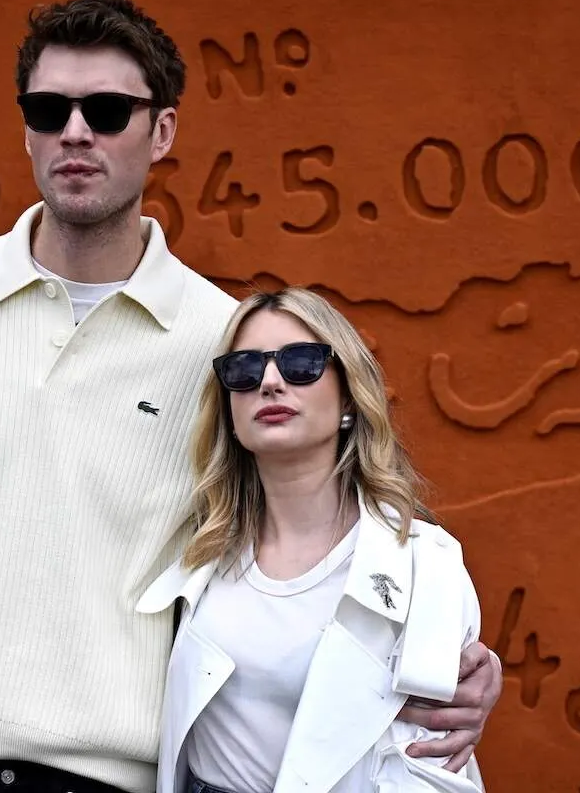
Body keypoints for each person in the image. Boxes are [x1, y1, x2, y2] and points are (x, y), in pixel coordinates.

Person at [0, 0, 503, 792]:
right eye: (50, 109)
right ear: (28, 128)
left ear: (163, 132)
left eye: (108, 111)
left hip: (110, 776)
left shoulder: (222, 347)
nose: (77, 132)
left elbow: (301, 537)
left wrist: (434, 656)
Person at [138, 288, 485, 793]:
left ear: (348, 396)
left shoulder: (425, 567)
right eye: (245, 369)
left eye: (301, 363)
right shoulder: (196, 552)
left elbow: (436, 763)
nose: (271, 382)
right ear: (229, 409)